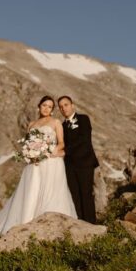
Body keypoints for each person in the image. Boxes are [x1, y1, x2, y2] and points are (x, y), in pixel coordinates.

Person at [0, 96, 78, 235]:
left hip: (51, 162)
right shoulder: (32, 124)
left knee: (50, 192)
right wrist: (30, 153)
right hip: (34, 164)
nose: (46, 108)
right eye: (44, 105)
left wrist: (51, 150)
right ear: (39, 106)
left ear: (52, 110)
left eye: (49, 106)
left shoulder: (55, 122)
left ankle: (52, 229)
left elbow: (61, 142)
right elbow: (28, 143)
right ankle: (26, 225)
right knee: (32, 191)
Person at [57, 95, 99, 223]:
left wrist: (65, 151)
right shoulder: (62, 126)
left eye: (66, 105)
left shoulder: (83, 119)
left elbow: (84, 140)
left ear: (72, 105)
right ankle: (81, 224)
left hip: (85, 163)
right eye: (61, 107)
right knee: (74, 196)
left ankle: (91, 225)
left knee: (86, 194)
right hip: (69, 166)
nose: (64, 108)